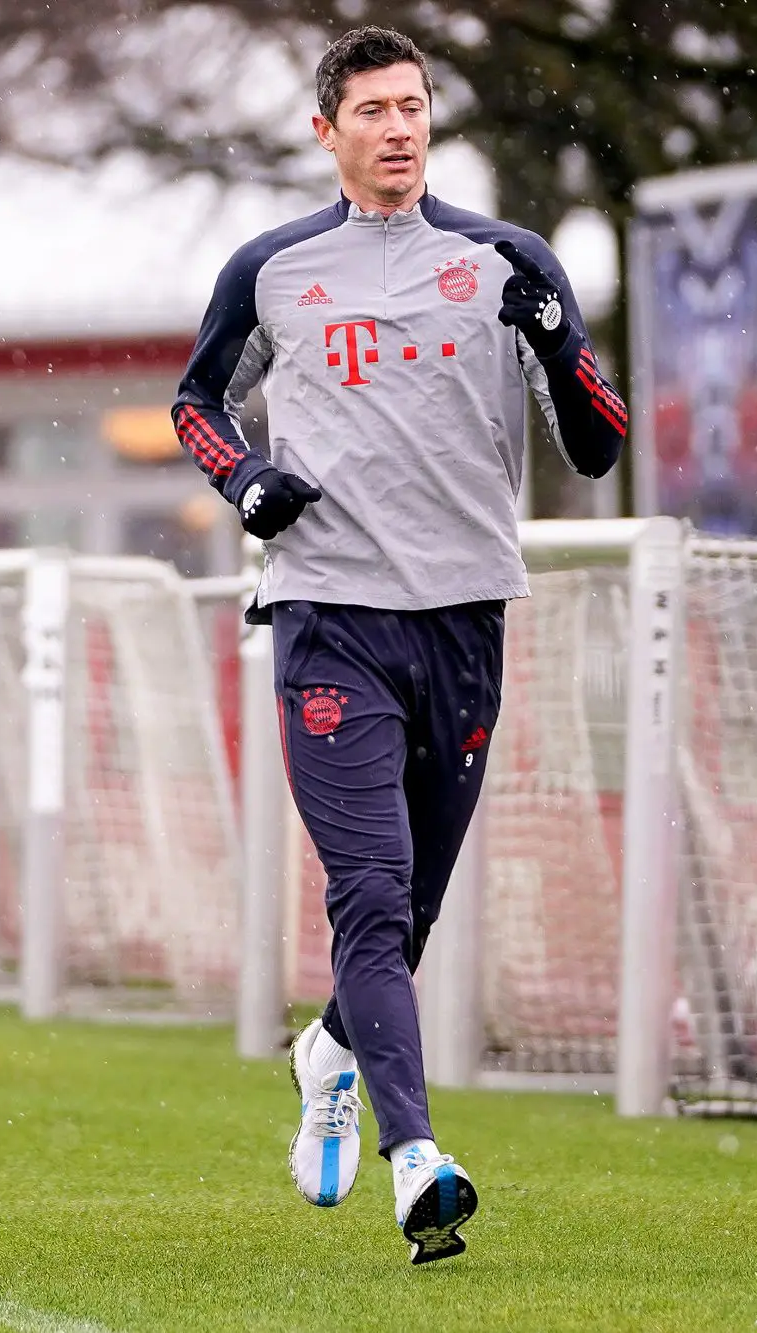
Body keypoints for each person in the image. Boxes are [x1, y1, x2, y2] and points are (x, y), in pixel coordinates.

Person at [172, 27, 626, 1264]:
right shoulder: (271, 269)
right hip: (329, 621)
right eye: (370, 109)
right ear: (325, 131)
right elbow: (195, 404)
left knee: (410, 906)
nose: (396, 128)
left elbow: (596, 444)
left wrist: (554, 338)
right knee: (368, 892)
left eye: (412, 106)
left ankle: (329, 1051)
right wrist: (246, 480)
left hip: (465, 619)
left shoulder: (503, 259)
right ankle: (416, 1158)